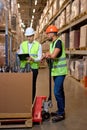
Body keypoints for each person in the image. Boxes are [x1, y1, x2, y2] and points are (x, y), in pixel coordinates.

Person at [42, 25, 68, 123]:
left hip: (61, 72)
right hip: (56, 71)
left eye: (48, 33)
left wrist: (49, 55)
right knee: (60, 91)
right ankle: (61, 110)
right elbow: (49, 53)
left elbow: (53, 55)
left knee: (57, 91)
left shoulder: (59, 42)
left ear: (53, 33)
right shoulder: (53, 43)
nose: (47, 35)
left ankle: (61, 113)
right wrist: (44, 56)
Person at [19, 27, 42, 103]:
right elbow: (21, 54)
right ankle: (24, 101)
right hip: (24, 68)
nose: (29, 38)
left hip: (33, 68)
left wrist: (33, 59)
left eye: (30, 36)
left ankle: (31, 102)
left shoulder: (38, 45)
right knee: (23, 85)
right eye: (28, 36)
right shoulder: (22, 44)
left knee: (32, 85)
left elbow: (39, 57)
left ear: (33, 35)